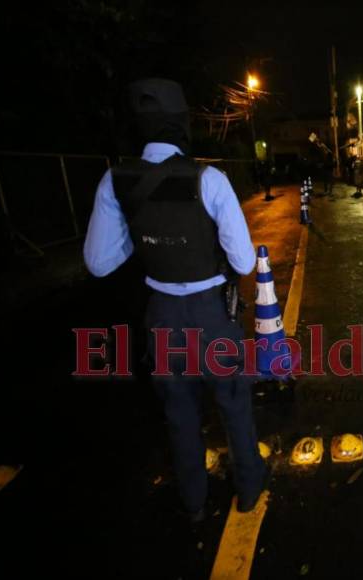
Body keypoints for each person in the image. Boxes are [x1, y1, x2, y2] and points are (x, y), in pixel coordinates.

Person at [83, 78, 268, 522]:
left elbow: (98, 262)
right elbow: (243, 261)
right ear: (182, 123)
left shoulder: (116, 182)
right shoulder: (210, 180)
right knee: (233, 403)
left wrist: (144, 244)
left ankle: (193, 502)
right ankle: (248, 488)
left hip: (161, 315)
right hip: (210, 315)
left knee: (180, 415)